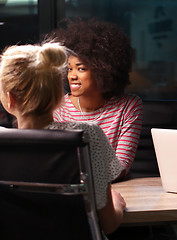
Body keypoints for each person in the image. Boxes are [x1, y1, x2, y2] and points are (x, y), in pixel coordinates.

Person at [0, 42, 126, 234]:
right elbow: (108, 225)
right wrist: (117, 204)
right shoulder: (88, 135)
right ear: (58, 94)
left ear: (10, 98)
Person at [49, 18, 143, 180]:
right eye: (70, 68)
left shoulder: (128, 106)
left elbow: (120, 168)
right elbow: (57, 166)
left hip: (116, 192)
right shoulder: (59, 107)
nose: (72, 76)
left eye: (81, 68)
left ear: (104, 70)